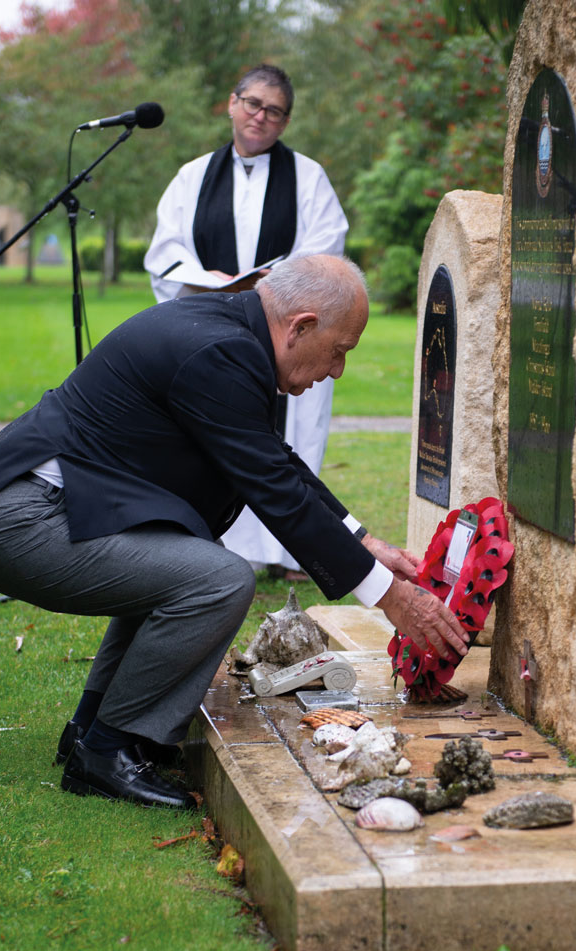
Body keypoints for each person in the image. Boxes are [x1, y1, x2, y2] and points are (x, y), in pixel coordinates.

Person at [0, 255, 468, 810]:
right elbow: (273, 487)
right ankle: (107, 752)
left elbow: (275, 462)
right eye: (339, 351)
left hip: (45, 504)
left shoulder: (231, 333)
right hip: (20, 518)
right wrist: (391, 598)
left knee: (184, 563)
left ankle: (91, 729)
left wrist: (361, 542)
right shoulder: (219, 352)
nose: (337, 370)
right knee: (217, 579)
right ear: (301, 327)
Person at [144, 63, 346, 581]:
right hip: (213, 320)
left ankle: (291, 550)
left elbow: (325, 246)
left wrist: (272, 286)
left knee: (293, 432)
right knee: (217, 423)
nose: (261, 116)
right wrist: (206, 277)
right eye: (253, 104)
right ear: (232, 104)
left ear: (284, 122)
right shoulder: (192, 176)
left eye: (274, 111)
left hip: (286, 327)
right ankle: (218, 543)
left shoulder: (307, 176)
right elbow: (165, 253)